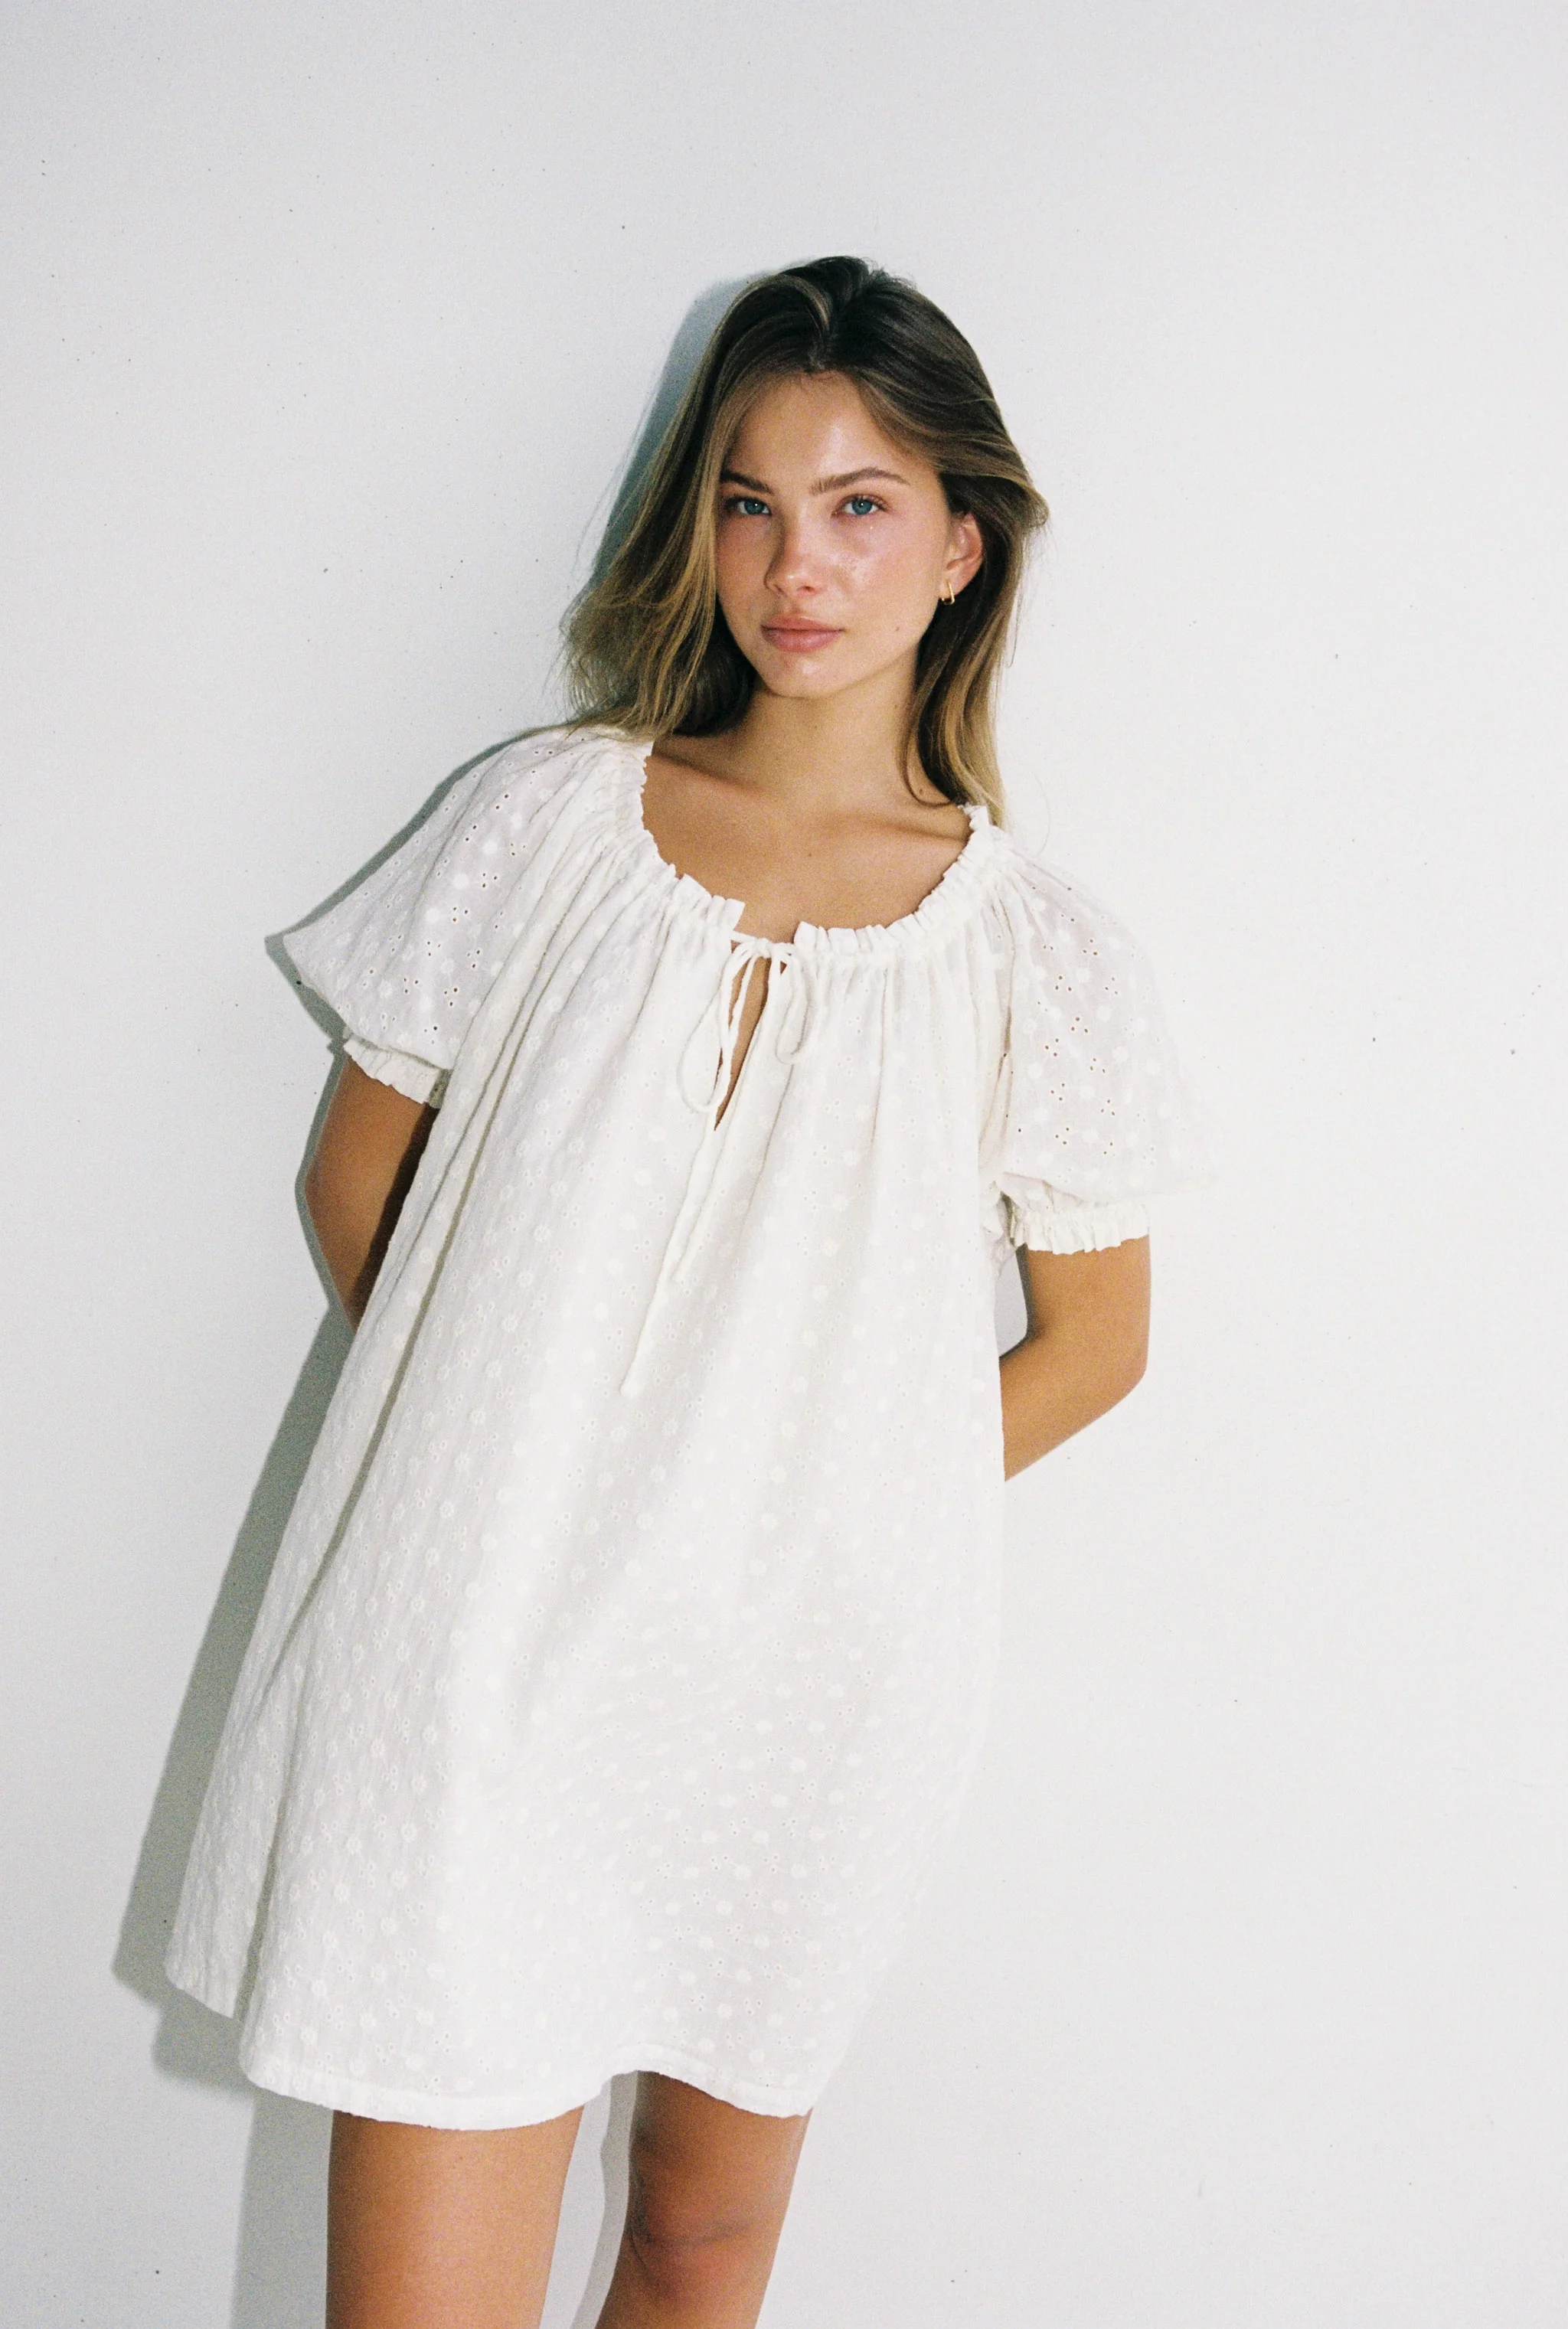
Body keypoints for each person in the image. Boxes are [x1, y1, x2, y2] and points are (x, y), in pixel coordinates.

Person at [165, 255, 1213, 2328]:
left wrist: (804, 1517)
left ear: (963, 545)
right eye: (750, 503)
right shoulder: (550, 821)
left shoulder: (1034, 952)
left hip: (802, 1687)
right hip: (476, 1653)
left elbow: (1097, 1341)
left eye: (858, 506)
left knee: (699, 2243)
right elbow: (356, 1176)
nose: (795, 567)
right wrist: (527, 1460)